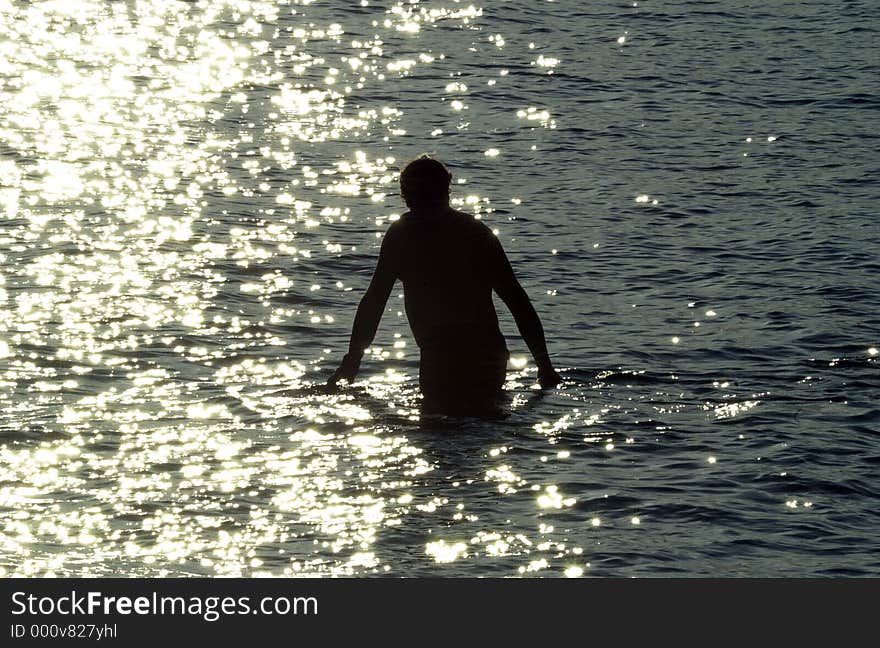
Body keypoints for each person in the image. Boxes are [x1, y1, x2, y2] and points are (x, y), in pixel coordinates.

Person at [328, 155, 561, 415]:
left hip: (441, 353)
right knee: (485, 429)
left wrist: (353, 360)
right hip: (487, 350)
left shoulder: (402, 235)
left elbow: (375, 301)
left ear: (404, 194)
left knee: (439, 432)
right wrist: (543, 364)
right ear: (446, 191)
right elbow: (517, 300)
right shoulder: (476, 231)